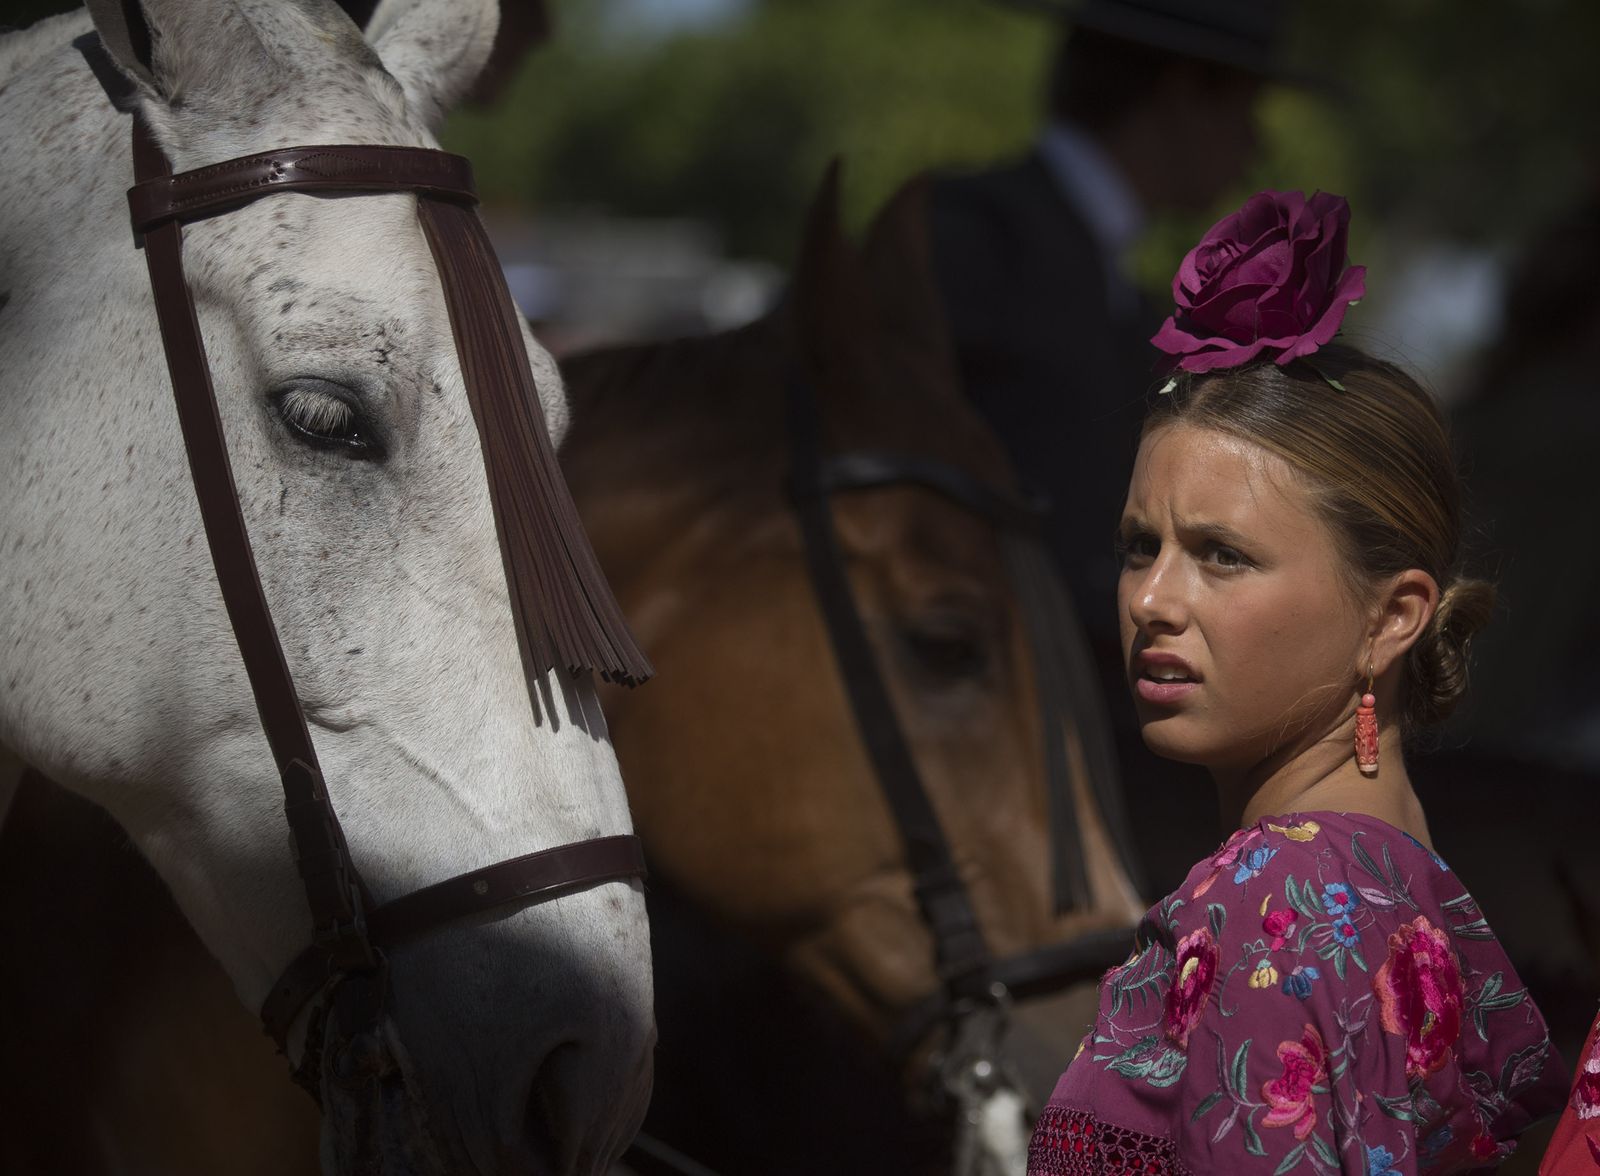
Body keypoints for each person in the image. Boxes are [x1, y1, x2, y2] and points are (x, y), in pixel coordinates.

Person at [1024, 190, 1568, 1174]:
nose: (1150, 598)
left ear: (1392, 616)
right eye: (1137, 546)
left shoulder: (1265, 898)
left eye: (1221, 555)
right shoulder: (1400, 881)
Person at [928, 0, 1295, 891]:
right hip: (961, 763)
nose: (1253, 149)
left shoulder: (1115, 291)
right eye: (1243, 108)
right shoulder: (965, 239)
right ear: (1180, 93)